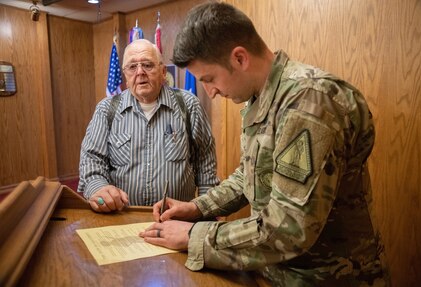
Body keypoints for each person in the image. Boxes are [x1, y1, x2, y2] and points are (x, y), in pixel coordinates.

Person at [139, 2, 389, 286]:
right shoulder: (261, 99)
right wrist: (197, 208)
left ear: (239, 58)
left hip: (329, 278)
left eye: (209, 79)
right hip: (276, 274)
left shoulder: (308, 103)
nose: (211, 91)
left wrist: (193, 236)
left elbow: (289, 228)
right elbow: (249, 176)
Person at [78, 39, 219, 213]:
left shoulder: (189, 106)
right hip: (121, 218)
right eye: (132, 67)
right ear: (125, 75)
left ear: (163, 72)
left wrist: (206, 212)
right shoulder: (106, 110)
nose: (140, 72)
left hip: (176, 220)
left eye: (147, 65)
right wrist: (98, 188)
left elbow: (206, 164)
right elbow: (92, 160)